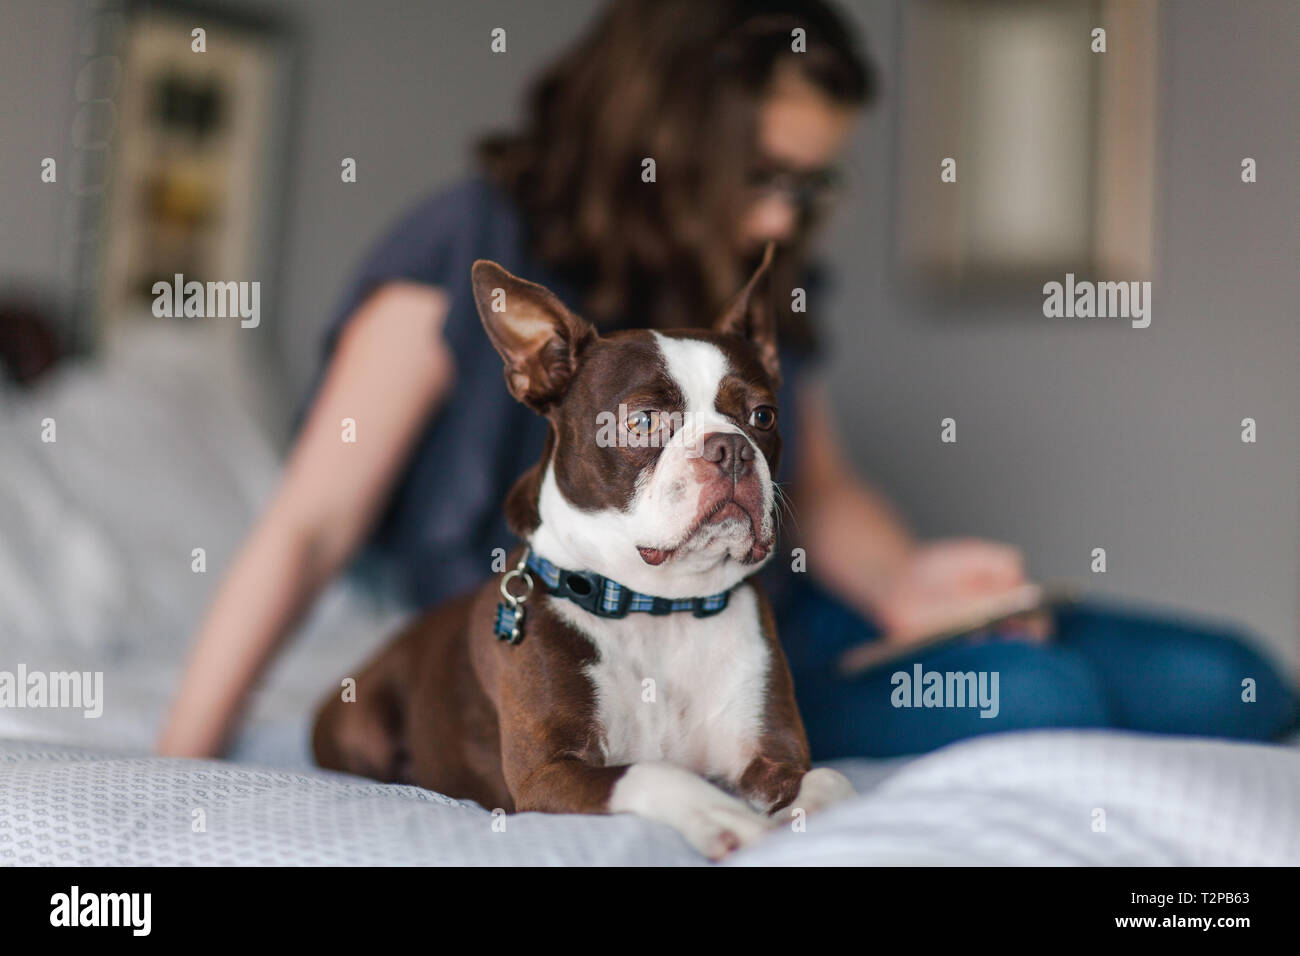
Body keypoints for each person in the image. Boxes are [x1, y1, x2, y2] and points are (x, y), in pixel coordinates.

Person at [158, 0, 1297, 762]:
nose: (782, 216)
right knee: (1048, 704)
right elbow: (309, 525)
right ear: (665, 126)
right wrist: (182, 758)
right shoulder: (475, 237)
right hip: (610, 650)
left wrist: (914, 582)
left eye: (812, 188)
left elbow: (829, 483)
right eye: (766, 176)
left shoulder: (758, 271)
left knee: (1231, 678)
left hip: (778, 605)